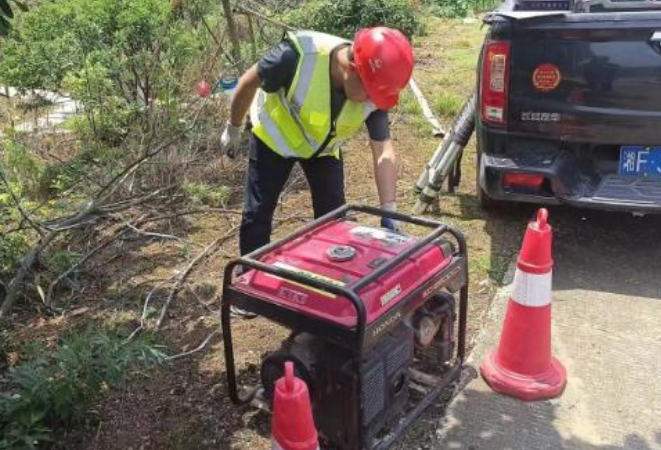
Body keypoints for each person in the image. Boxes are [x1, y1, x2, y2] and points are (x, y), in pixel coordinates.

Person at [221, 27, 414, 315]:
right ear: (350, 69)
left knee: (334, 215)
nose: (370, 101)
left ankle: (331, 284)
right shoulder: (295, 57)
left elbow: (383, 150)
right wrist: (233, 127)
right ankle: (250, 286)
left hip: (322, 147)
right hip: (276, 139)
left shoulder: (375, 88)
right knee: (258, 211)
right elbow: (249, 81)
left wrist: (389, 210)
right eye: (369, 93)